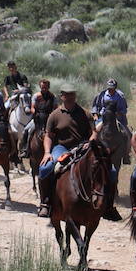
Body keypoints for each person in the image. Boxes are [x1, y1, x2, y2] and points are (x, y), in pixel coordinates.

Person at [36, 85, 93, 219]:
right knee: (45, 168)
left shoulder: (85, 113)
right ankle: (45, 203)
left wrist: (90, 143)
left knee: (107, 168)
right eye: (66, 95)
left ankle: (107, 205)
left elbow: (94, 133)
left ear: (75, 96)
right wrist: (47, 152)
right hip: (61, 148)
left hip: (82, 147)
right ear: (62, 96)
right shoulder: (55, 115)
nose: (70, 97)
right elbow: (48, 135)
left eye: (72, 94)